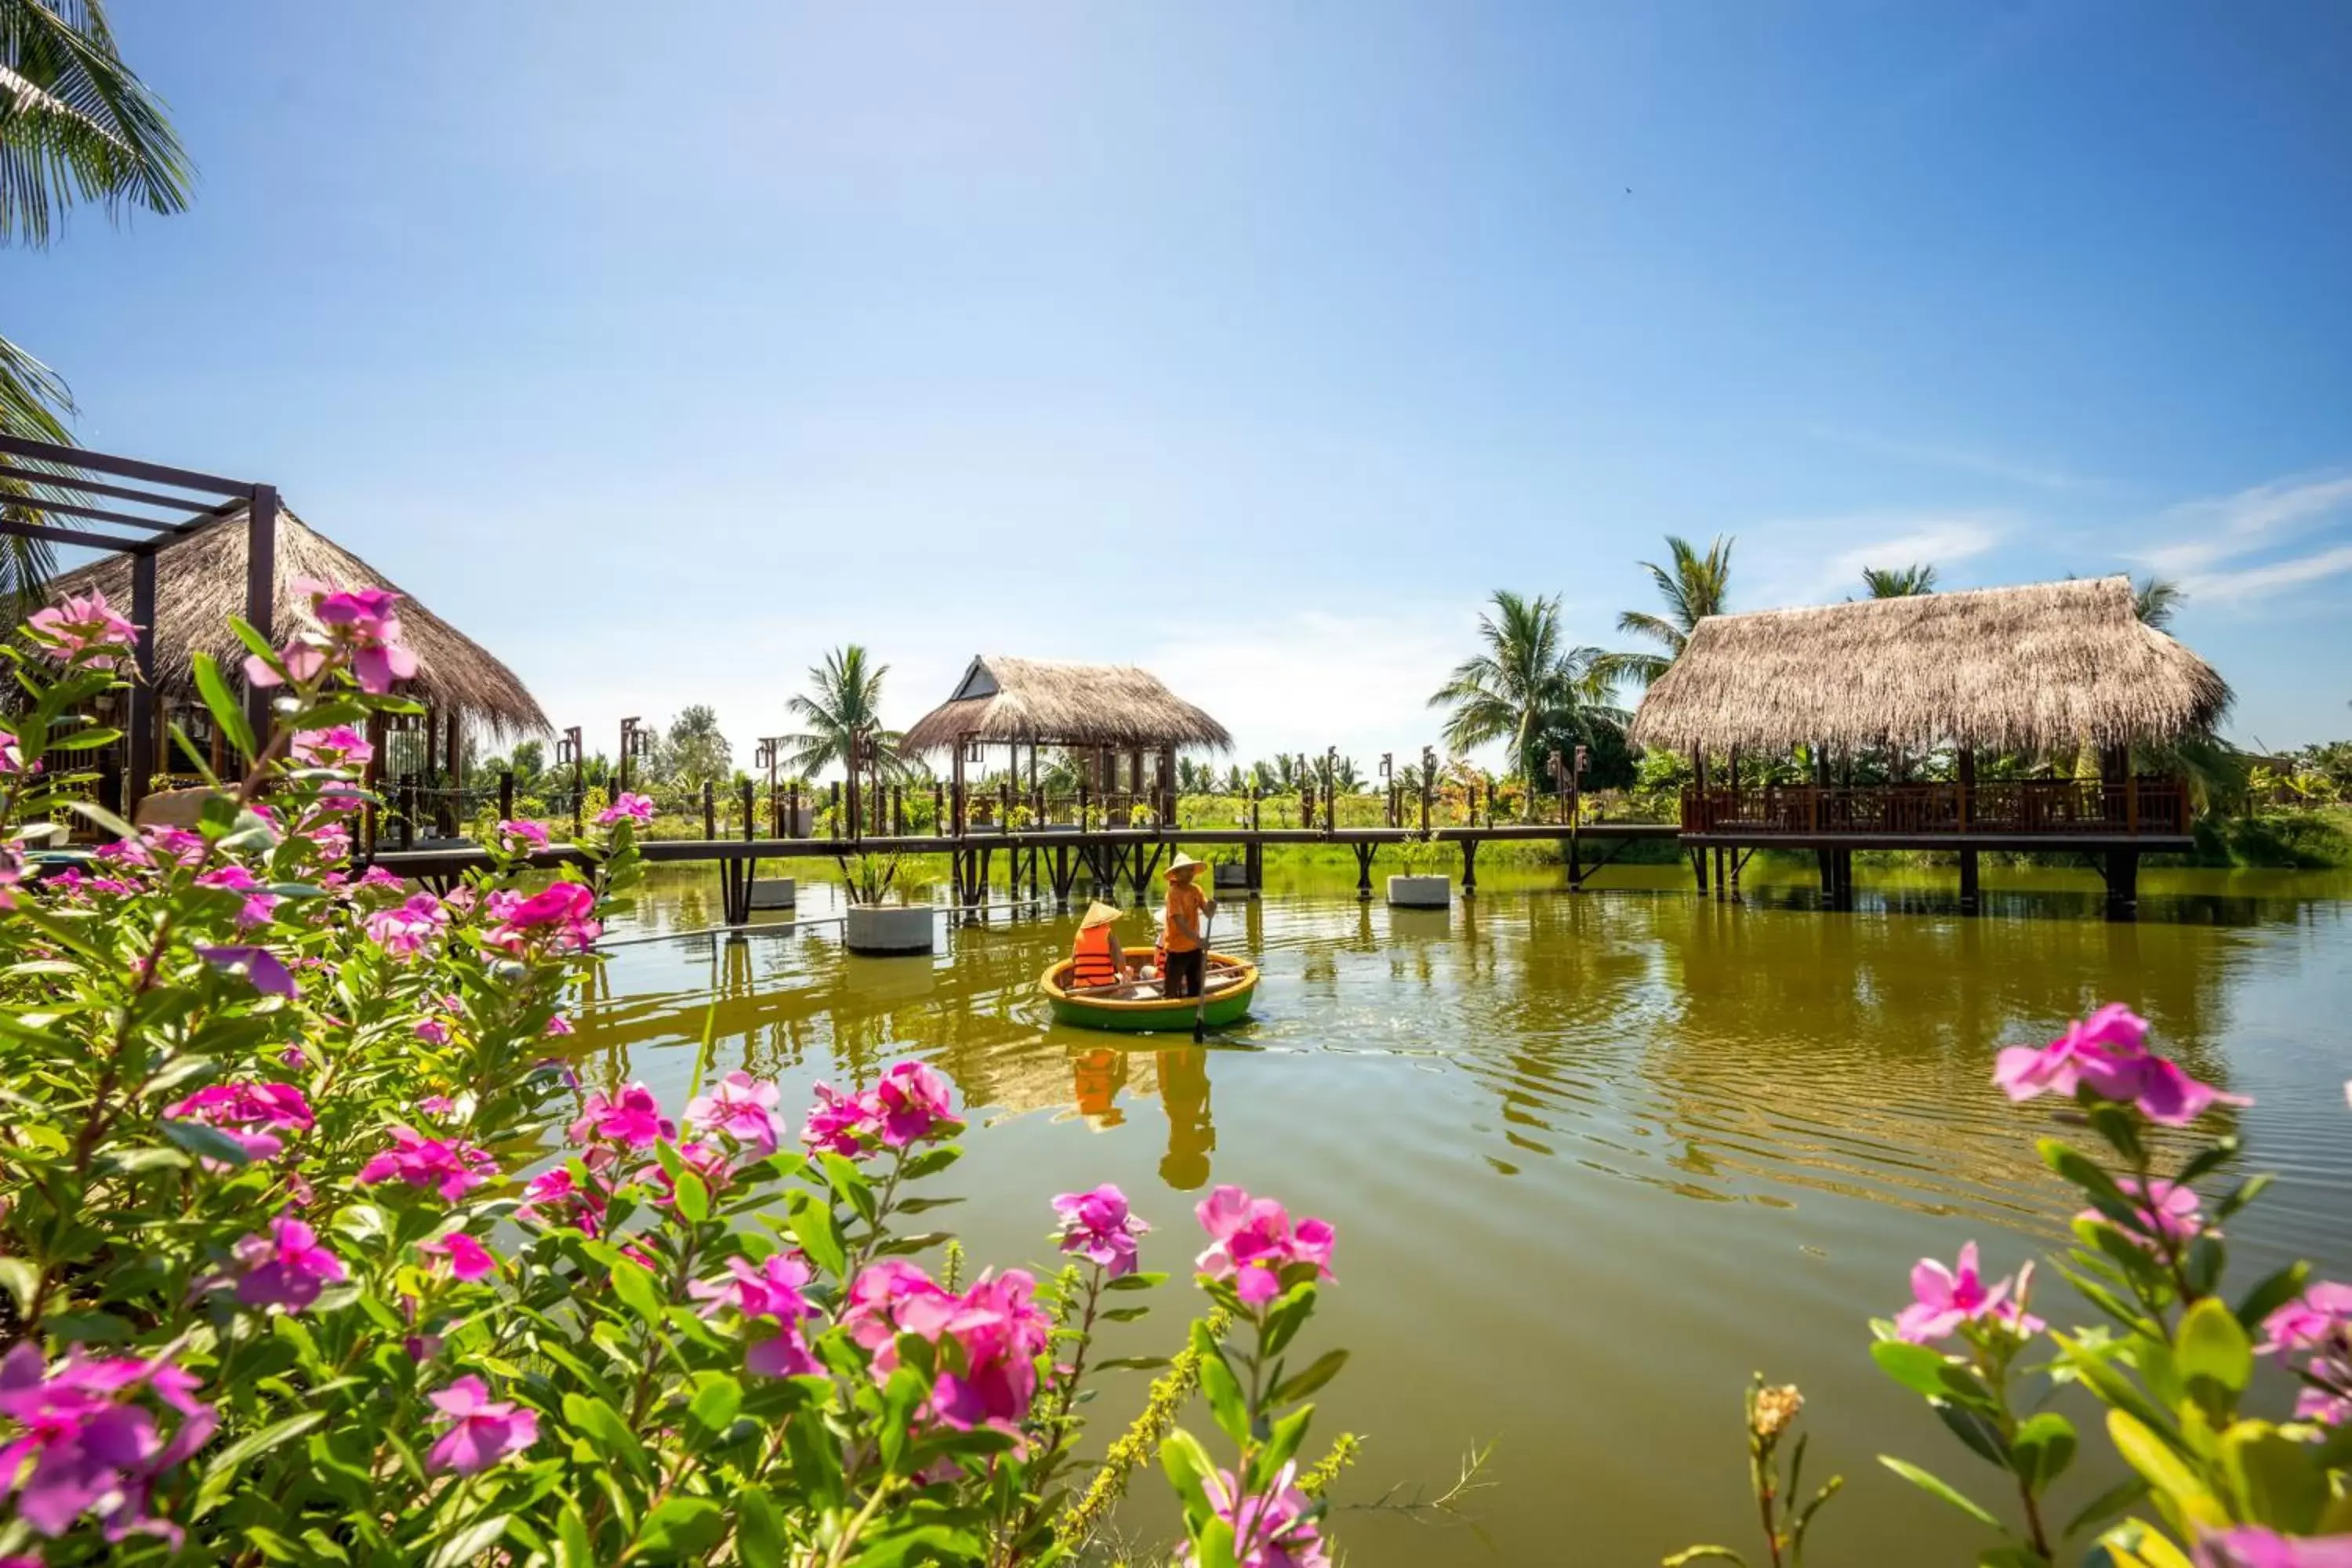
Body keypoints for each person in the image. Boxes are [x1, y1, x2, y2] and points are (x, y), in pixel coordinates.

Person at [1159, 852, 1217, 1000]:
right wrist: (1198, 940)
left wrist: (1212, 907)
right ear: (1177, 873)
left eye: (1191, 869)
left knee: (1196, 989)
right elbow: (1180, 923)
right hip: (1177, 950)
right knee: (1170, 992)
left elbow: (1208, 914)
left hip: (1194, 949)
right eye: (1186, 870)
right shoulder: (1174, 894)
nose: (1190, 873)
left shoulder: (1196, 890)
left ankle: (1192, 1013)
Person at [1068, 901, 1134, 991]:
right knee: (1129, 971)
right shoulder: (1108, 934)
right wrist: (1124, 972)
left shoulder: (1079, 934)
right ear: (1104, 921)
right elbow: (1121, 966)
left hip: (1081, 987)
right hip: (1105, 987)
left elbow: (1073, 960)